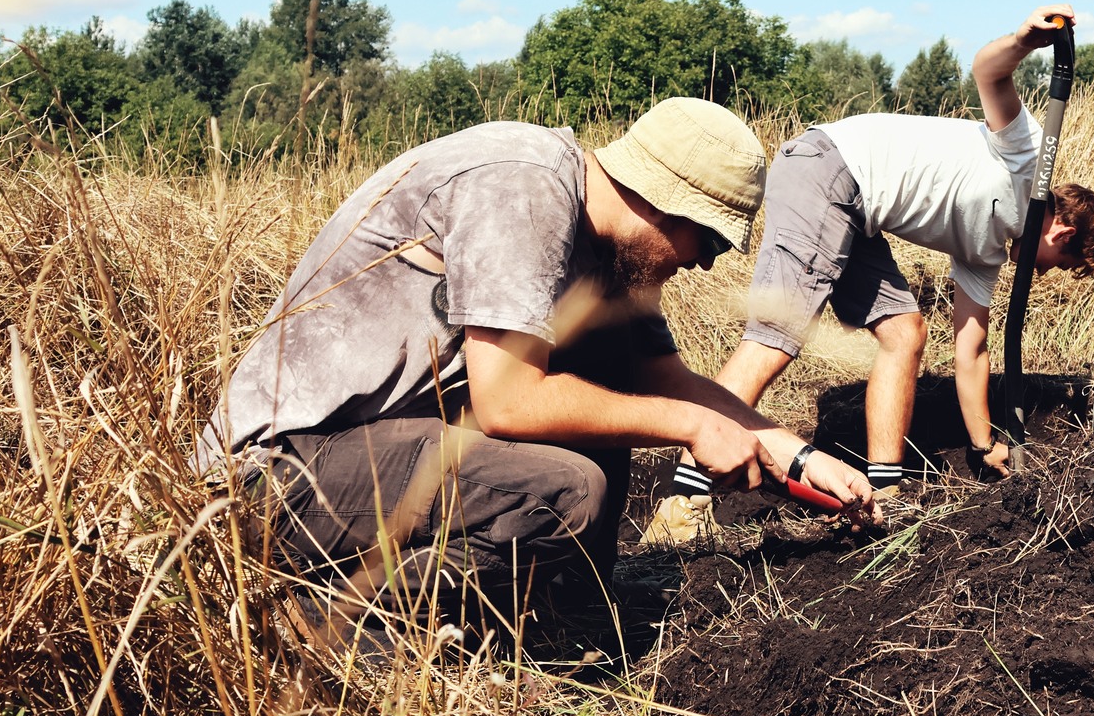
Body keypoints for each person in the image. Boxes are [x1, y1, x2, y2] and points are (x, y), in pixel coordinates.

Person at [195, 97, 877, 657]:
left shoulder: (609, 254)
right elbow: (509, 403)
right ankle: (325, 624)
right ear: (663, 202)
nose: (704, 264)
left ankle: (555, 608)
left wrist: (795, 454)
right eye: (711, 240)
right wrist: (692, 428)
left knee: (604, 371)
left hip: (369, 455)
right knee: (566, 490)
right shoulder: (523, 186)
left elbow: (665, 380)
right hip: (271, 475)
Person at [646, 5, 1094, 545]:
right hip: (829, 168)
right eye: (1066, 266)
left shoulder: (986, 253)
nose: (1053, 273)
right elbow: (988, 71)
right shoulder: (1025, 155)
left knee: (904, 333)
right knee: (777, 335)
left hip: (860, 211)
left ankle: (884, 494)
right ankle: (683, 503)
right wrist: (1024, 40)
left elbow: (971, 352)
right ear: (1062, 235)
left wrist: (984, 445)